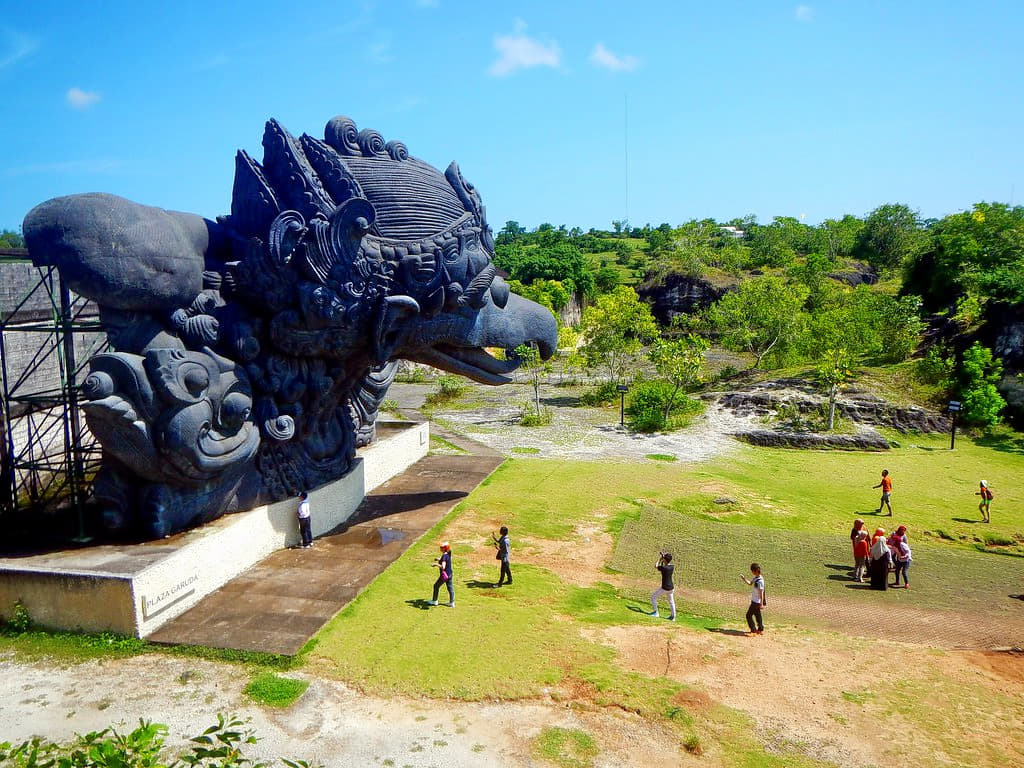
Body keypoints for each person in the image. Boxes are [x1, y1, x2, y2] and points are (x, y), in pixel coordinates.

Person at [650, 552, 676, 620]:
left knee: (653, 597)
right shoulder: (672, 567)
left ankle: (656, 613)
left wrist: (660, 559)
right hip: (671, 588)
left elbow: (656, 566)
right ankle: (673, 617)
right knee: (671, 602)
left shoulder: (664, 568)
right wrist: (663, 559)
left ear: (665, 560)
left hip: (665, 588)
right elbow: (664, 565)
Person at [741, 563, 766, 634]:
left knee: (748, 615)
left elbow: (761, 593)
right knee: (758, 615)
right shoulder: (756, 578)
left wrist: (761, 604)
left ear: (755, 571)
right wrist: (744, 579)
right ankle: (760, 629)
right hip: (755, 601)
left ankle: (753, 629)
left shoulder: (760, 581)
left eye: (752, 570)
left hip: (756, 602)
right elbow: (750, 583)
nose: (751, 572)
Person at [428, 542, 454, 607]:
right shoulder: (448, 553)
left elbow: (443, 566)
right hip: (450, 574)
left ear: (444, 548)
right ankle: (452, 602)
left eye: (441, 547)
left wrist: (436, 564)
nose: (440, 548)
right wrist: (438, 559)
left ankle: (434, 601)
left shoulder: (444, 556)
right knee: (450, 588)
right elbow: (445, 560)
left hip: (445, 576)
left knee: (436, 586)